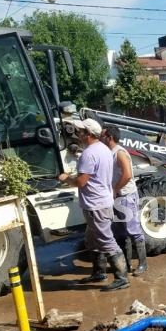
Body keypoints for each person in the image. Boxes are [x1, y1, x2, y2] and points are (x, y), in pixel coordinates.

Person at [58, 118, 130, 291]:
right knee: (91, 240)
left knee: (106, 241)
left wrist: (66, 178)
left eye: (81, 131)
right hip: (100, 202)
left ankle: (122, 278)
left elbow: (82, 182)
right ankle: (99, 272)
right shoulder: (104, 149)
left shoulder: (88, 154)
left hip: (96, 205)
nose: (78, 134)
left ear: (88, 134)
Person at [100, 125, 148, 276]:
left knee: (133, 230)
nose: (100, 138)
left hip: (126, 196)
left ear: (109, 137)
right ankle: (126, 263)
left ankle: (143, 264)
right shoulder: (110, 152)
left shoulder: (119, 153)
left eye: (102, 136)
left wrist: (114, 189)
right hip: (118, 196)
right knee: (121, 232)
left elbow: (127, 175)